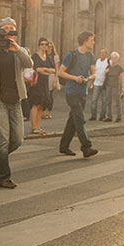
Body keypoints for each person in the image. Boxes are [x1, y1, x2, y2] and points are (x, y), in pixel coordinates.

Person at [0, 17, 30, 189]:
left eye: (12, 28)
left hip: (15, 99)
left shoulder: (18, 49)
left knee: (17, 139)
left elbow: (29, 63)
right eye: (5, 28)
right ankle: (3, 176)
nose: (9, 30)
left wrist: (17, 50)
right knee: (3, 140)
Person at [56, 31, 99, 160]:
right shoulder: (72, 55)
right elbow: (60, 72)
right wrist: (75, 78)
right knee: (79, 118)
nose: (93, 42)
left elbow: (94, 73)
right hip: (71, 91)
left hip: (83, 91)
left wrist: (88, 78)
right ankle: (86, 147)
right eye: (92, 40)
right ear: (85, 41)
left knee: (73, 121)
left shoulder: (91, 56)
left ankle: (64, 146)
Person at [28, 38, 55, 135]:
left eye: (46, 44)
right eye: (42, 44)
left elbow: (54, 70)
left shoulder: (48, 57)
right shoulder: (35, 56)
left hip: (45, 84)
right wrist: (46, 70)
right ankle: (34, 127)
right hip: (36, 83)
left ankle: (38, 127)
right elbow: (37, 69)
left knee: (41, 105)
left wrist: (44, 70)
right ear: (39, 45)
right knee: (35, 104)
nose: (44, 46)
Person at [90, 48, 110, 120]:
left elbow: (112, 69)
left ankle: (102, 116)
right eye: (101, 53)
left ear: (106, 54)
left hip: (104, 84)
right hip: (96, 83)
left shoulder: (108, 61)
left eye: (104, 53)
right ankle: (93, 116)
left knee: (104, 100)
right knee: (94, 100)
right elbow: (93, 72)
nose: (102, 54)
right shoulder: (97, 61)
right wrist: (91, 82)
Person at [104, 51, 124, 122]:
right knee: (108, 101)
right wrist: (106, 72)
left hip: (116, 86)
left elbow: (122, 77)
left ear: (117, 59)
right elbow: (105, 75)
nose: (113, 59)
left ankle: (119, 116)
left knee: (117, 101)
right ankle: (109, 116)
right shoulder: (108, 67)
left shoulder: (119, 68)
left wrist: (123, 87)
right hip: (109, 86)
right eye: (112, 58)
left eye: (115, 58)